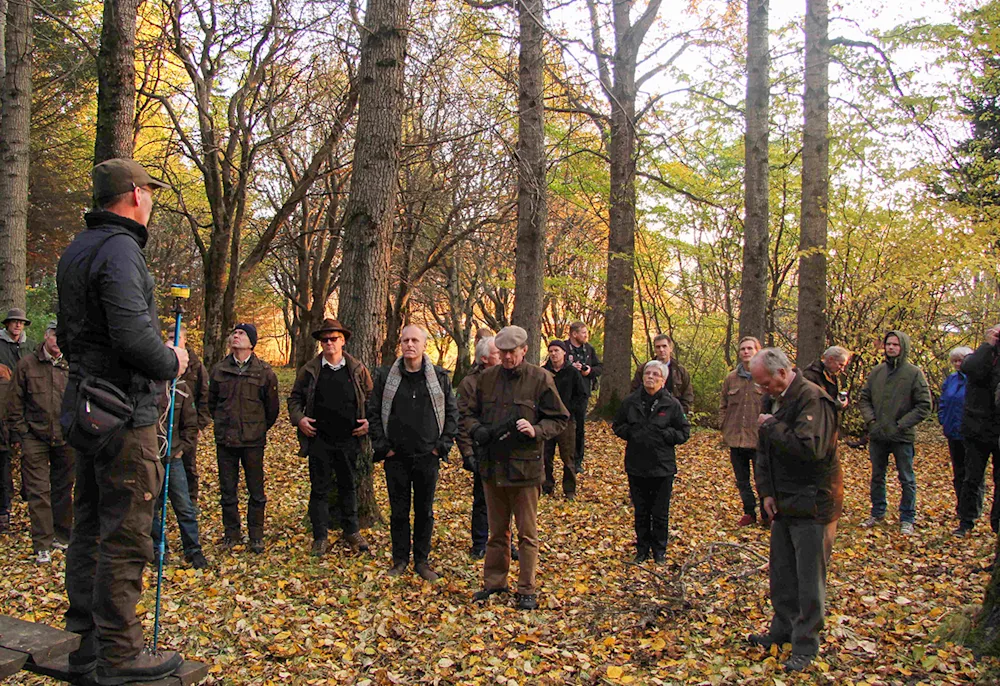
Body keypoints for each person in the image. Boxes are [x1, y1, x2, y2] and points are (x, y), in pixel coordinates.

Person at [57, 158, 189, 683]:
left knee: (89, 527)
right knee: (124, 534)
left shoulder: (77, 249)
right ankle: (119, 655)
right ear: (135, 194)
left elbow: (72, 337)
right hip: (123, 417)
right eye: (150, 192)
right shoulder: (120, 250)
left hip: (88, 409)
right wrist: (172, 360)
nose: (152, 200)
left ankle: (85, 644)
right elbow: (134, 339)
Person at [747, 347, 842, 673]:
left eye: (764, 383)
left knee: (809, 579)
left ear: (782, 373)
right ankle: (781, 631)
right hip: (784, 500)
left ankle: (806, 645)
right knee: (782, 574)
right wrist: (767, 493)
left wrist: (773, 425)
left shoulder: (813, 399)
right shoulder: (773, 400)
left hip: (814, 502)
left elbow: (811, 449)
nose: (761, 390)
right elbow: (764, 451)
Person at [462, 325, 569, 610]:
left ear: (524, 350)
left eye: (512, 352)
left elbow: (559, 418)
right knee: (497, 532)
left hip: (526, 469)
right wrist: (477, 431)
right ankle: (494, 584)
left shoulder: (540, 378)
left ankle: (527, 589)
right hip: (492, 467)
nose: (507, 357)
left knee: (526, 534)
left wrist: (536, 430)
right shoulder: (486, 379)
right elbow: (468, 415)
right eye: (503, 352)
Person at [368, 325, 458, 581]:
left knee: (424, 511)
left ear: (423, 345)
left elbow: (452, 414)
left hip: (427, 458)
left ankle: (422, 560)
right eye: (405, 340)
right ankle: (399, 560)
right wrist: (384, 448)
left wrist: (440, 447)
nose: (410, 344)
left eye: (414, 340)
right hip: (396, 457)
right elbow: (373, 412)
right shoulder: (386, 377)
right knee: (398, 512)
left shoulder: (439, 378)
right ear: (400, 344)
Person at [288, 318, 373, 557]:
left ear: (343, 340)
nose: (329, 343)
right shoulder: (310, 369)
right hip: (319, 439)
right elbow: (294, 399)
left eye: (333, 339)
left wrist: (369, 423)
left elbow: (372, 398)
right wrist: (300, 419)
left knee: (349, 486)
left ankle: (352, 531)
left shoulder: (357, 369)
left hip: (349, 438)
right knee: (320, 489)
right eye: (324, 340)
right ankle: (320, 537)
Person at [208, 323, 280, 554]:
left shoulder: (265, 372)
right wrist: (223, 424)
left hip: (253, 442)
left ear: (251, 343)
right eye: (234, 333)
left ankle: (256, 535)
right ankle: (232, 533)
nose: (235, 336)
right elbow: (211, 403)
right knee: (227, 490)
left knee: (256, 491)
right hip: (226, 440)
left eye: (241, 334)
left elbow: (272, 410)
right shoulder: (219, 370)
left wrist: (255, 428)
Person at [8, 321, 74, 564]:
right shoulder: (27, 365)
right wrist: (22, 433)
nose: (57, 341)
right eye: (55, 336)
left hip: (66, 437)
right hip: (34, 437)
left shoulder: (71, 364)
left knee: (63, 489)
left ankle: (62, 535)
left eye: (61, 337)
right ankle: (42, 543)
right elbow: (13, 403)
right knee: (38, 491)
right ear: (46, 337)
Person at [612, 360, 690, 563]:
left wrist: (666, 435)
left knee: (660, 512)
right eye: (648, 373)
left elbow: (684, 432)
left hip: (662, 466)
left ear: (663, 380)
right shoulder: (631, 401)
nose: (651, 377)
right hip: (636, 464)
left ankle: (659, 551)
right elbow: (618, 425)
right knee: (641, 511)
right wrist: (633, 433)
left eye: (656, 374)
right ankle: (642, 549)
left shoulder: (672, 404)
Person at [858, 330, 932, 535]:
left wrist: (901, 424)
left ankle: (907, 517)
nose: (891, 348)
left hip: (902, 437)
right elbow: (864, 398)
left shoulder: (914, 373)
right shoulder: (877, 372)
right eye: (888, 344)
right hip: (878, 434)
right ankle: (877, 512)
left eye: (895, 345)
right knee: (877, 476)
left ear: (903, 347)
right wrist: (871, 421)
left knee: (906, 478)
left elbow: (924, 405)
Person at [151, 341, 207, 570]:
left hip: (173, 458)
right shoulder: (148, 387)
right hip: (150, 459)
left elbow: (190, 426)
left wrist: (182, 448)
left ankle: (193, 550)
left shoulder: (182, 390)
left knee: (183, 505)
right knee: (150, 506)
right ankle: (155, 549)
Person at [455, 335, 501, 558]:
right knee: (483, 499)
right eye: (496, 353)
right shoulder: (469, 384)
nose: (502, 356)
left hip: (506, 448)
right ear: (484, 358)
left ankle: (504, 540)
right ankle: (480, 543)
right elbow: (461, 421)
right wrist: (467, 453)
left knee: (506, 500)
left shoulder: (508, 378)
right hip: (481, 449)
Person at [955, 326, 1000, 536]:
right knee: (971, 478)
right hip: (976, 429)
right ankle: (966, 521)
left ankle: (996, 524)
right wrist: (989, 343)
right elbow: (970, 368)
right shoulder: (980, 356)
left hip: (996, 429)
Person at [720, 336, 766, 527]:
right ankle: (749, 513)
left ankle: (766, 513)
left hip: (759, 440)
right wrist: (723, 426)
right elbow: (723, 405)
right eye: (742, 349)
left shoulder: (764, 377)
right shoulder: (731, 378)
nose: (746, 352)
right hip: (736, 439)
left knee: (762, 480)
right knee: (742, 480)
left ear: (757, 352)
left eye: (749, 349)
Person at [167, 322, 210, 512]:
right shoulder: (162, 362)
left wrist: (200, 424)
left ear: (185, 340)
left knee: (188, 463)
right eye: (169, 338)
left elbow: (205, 396)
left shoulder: (196, 366)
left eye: (177, 338)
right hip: (165, 424)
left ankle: (191, 501)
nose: (173, 341)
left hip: (188, 425)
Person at [0, 307, 32, 534]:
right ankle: (5, 508)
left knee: (29, 453)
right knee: (3, 457)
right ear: (7, 324)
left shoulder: (30, 347)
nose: (18, 325)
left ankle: (27, 495)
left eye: (21, 322)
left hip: (27, 406)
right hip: (3, 406)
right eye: (14, 322)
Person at [541, 340, 586, 498]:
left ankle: (569, 490)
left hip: (566, 421)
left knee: (568, 456)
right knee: (546, 455)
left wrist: (569, 411)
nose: (554, 354)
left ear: (564, 352)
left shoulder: (572, 373)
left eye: (557, 351)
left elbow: (581, 395)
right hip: (546, 420)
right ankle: (547, 486)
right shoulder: (543, 372)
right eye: (551, 351)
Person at [939, 347, 972, 519]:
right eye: (955, 361)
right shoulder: (951, 380)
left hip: (970, 433)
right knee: (958, 473)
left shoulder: (974, 380)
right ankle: (961, 508)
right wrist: (943, 420)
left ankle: (971, 510)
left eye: (961, 360)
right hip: (952, 432)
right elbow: (943, 401)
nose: (958, 364)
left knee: (971, 475)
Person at [564, 321, 602, 473]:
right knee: (564, 427)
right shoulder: (564, 347)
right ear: (574, 334)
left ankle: (577, 460)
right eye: (583, 333)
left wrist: (588, 371)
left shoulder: (589, 349)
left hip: (582, 394)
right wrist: (570, 368)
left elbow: (599, 367)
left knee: (579, 427)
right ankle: (563, 457)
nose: (586, 336)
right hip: (565, 394)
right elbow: (554, 366)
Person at [629, 333, 694, 415]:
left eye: (664, 346)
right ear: (655, 349)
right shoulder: (644, 369)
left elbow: (688, 395)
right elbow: (634, 391)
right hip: (648, 414)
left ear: (670, 348)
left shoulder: (680, 371)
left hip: (673, 414)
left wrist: (680, 412)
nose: (661, 349)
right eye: (658, 347)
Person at [801, 346, 851, 413]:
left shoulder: (832, 376)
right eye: (840, 365)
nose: (842, 369)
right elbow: (810, 403)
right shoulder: (810, 375)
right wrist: (835, 405)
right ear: (830, 359)